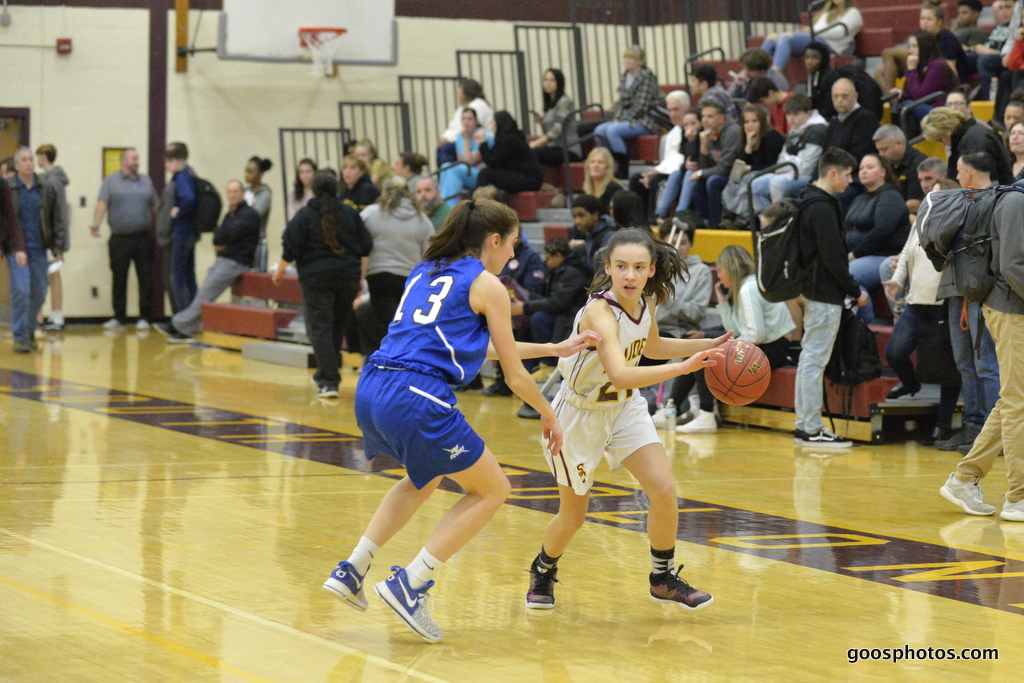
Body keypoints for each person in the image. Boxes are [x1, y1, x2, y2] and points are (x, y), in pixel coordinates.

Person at [322, 198, 597, 643]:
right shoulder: (488, 285)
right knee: (493, 489)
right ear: (493, 241)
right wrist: (549, 413)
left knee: (423, 477)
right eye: (511, 244)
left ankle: (353, 567)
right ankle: (411, 584)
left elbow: (471, 346)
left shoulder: (425, 270)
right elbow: (512, 374)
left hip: (373, 386)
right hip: (416, 395)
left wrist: (552, 349)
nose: (513, 254)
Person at [522, 227, 728, 612]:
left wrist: (709, 344)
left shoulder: (646, 302)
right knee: (574, 516)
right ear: (608, 268)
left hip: (624, 408)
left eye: (638, 267)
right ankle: (543, 569)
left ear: (651, 270)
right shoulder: (600, 313)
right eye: (621, 267)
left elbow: (651, 346)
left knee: (664, 491)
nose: (630, 275)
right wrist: (683, 368)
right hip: (579, 414)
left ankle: (662, 578)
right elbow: (619, 372)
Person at [937, 154, 1024, 522]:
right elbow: (1013, 265)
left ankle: (964, 477)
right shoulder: (1017, 202)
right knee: (1019, 403)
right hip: (1010, 309)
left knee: (1012, 400)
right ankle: (1018, 497)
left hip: (1013, 308)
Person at [272, 171, 372, 398]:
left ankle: (330, 380)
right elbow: (366, 245)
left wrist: (279, 272)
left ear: (313, 191)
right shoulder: (350, 213)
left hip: (317, 279)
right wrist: (361, 276)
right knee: (336, 327)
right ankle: (324, 373)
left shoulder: (305, 215)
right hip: (347, 277)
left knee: (319, 329)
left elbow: (290, 245)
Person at [677, 243, 795, 434]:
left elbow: (756, 335)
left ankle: (706, 414)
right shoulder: (748, 286)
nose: (719, 275)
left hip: (772, 347)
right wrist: (723, 304)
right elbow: (736, 329)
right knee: (704, 350)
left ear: (731, 269)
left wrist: (727, 347)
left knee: (706, 354)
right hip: (771, 345)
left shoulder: (748, 289)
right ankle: (690, 409)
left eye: (721, 270)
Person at [793, 147, 868, 447]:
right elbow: (834, 259)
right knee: (813, 361)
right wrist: (854, 289)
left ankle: (805, 425)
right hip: (823, 293)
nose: (851, 180)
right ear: (833, 173)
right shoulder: (821, 207)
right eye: (848, 174)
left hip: (811, 289)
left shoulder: (808, 201)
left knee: (808, 359)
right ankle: (810, 428)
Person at [933, 152, 1001, 455]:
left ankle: (992, 433)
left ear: (969, 172)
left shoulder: (1000, 200)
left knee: (985, 364)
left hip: (982, 290)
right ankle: (972, 427)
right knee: (966, 363)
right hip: (954, 287)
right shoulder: (958, 200)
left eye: (960, 171)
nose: (957, 176)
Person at [881, 198, 961, 445]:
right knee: (895, 352)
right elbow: (906, 252)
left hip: (944, 306)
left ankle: (943, 425)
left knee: (949, 370)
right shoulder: (920, 222)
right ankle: (911, 385)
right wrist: (897, 280)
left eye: (936, 194)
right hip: (916, 303)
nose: (930, 199)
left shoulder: (957, 224)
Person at [157, 180, 261, 344]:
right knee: (203, 293)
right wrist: (225, 233)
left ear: (242, 194)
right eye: (229, 192)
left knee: (205, 294)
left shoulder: (249, 214)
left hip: (237, 262)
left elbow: (229, 233)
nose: (232, 195)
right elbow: (218, 237)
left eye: (236, 191)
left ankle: (177, 324)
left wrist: (225, 233)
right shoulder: (230, 214)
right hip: (225, 258)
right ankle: (187, 329)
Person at [358, 176, 435, 357]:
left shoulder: (371, 213)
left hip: (379, 276)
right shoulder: (421, 218)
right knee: (404, 322)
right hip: (410, 278)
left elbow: (356, 238)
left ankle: (386, 360)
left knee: (385, 322)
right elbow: (431, 251)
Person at [91, 147, 159, 329]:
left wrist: (163, 227)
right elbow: (102, 204)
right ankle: (119, 317)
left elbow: (155, 206)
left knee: (145, 278)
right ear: (123, 162)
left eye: (137, 159)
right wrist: (96, 224)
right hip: (119, 239)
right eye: (133, 159)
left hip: (143, 238)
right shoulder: (110, 181)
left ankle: (145, 317)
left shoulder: (146, 181)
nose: (137, 162)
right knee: (119, 278)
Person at [6, 147, 67, 352]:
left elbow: (56, 218)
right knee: (21, 291)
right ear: (16, 166)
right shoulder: (9, 187)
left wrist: (58, 247)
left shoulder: (45, 187)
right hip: (17, 249)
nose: (29, 163)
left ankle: (30, 328)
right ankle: (20, 336)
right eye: (23, 160)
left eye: (31, 159)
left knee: (39, 293)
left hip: (39, 248)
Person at [844, 153, 911, 324]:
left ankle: (867, 324)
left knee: (848, 275)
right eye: (861, 168)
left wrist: (854, 254)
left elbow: (882, 231)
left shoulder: (890, 196)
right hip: (862, 256)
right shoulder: (859, 198)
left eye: (870, 167)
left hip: (885, 255)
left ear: (883, 172)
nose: (864, 171)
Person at [593, 45, 664, 179]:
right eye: (625, 57)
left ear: (640, 62)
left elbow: (641, 106)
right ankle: (606, 165)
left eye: (631, 58)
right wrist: (618, 118)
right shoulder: (625, 77)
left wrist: (620, 120)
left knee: (612, 131)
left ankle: (623, 167)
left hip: (644, 119)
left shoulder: (646, 77)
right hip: (627, 118)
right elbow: (621, 103)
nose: (626, 61)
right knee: (599, 131)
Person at [750, 93, 828, 213]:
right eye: (788, 115)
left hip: (808, 177)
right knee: (756, 184)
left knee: (778, 183)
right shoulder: (794, 129)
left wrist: (789, 166)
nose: (791, 119)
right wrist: (789, 167)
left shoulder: (817, 130)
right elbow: (781, 160)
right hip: (790, 173)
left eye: (795, 114)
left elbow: (807, 166)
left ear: (808, 112)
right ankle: (767, 223)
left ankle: (781, 223)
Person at [875, 3, 974, 92]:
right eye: (922, 19)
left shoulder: (946, 37)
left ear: (939, 22)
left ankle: (888, 96)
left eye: (929, 19)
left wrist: (957, 90)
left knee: (888, 52)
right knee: (879, 71)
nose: (924, 23)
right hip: (925, 68)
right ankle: (890, 96)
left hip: (943, 76)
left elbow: (950, 67)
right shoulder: (923, 37)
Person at [629, 90, 691, 217]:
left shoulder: (691, 131)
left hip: (681, 172)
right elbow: (667, 159)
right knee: (637, 179)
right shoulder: (670, 135)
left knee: (656, 180)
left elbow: (681, 157)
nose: (673, 114)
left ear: (687, 109)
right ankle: (638, 220)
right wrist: (654, 171)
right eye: (670, 110)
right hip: (666, 171)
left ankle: (655, 219)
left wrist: (657, 171)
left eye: (676, 109)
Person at [720, 103, 786, 222]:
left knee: (748, 180)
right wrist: (748, 148)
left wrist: (749, 168)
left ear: (762, 122)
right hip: (754, 172)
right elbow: (736, 171)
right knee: (733, 180)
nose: (750, 126)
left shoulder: (771, 136)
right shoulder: (745, 139)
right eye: (746, 122)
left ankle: (745, 218)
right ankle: (732, 217)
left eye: (754, 121)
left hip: (772, 174)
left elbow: (772, 165)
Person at [921, 106, 1014, 185]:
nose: (942, 144)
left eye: (940, 139)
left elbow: (978, 181)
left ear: (946, 129)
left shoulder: (973, 140)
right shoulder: (971, 135)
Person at [890, 31, 959, 137]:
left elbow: (920, 96)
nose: (910, 51)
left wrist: (911, 69)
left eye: (914, 46)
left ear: (924, 47)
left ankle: (905, 141)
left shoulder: (938, 65)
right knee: (899, 103)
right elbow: (913, 91)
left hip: (942, 110)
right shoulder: (921, 63)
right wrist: (901, 94)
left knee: (906, 106)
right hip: (926, 105)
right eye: (910, 46)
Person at [761, 0, 863, 70]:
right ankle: (757, 68)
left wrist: (811, 31)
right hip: (816, 38)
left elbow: (839, 32)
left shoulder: (853, 12)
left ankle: (775, 71)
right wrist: (810, 31)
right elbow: (814, 30)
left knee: (786, 38)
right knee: (772, 38)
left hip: (830, 45)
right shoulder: (826, 12)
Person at [35, 144, 69, 332]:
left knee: (50, 277)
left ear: (43, 157)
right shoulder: (53, 179)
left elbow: (58, 215)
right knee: (52, 276)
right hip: (51, 238)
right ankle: (54, 316)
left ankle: (54, 317)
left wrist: (58, 246)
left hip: (50, 238)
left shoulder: (52, 181)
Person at [690, 100, 741, 225]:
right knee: (697, 183)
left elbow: (725, 168)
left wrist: (701, 173)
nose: (705, 120)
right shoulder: (709, 133)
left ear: (722, 118)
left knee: (713, 181)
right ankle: (704, 222)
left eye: (710, 116)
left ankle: (715, 224)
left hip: (737, 175)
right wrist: (703, 147)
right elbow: (706, 167)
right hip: (720, 173)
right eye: (703, 117)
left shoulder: (732, 132)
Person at [162, 142, 198, 313]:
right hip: (189, 232)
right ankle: (192, 318)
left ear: (179, 160)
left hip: (182, 232)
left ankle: (184, 321)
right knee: (188, 276)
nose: (166, 164)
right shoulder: (188, 174)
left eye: (170, 160)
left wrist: (178, 211)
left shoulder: (182, 176)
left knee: (177, 277)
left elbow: (188, 199)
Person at [475, 111, 544, 196]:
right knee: (487, 173)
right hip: (527, 177)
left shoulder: (509, 140)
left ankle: (482, 204)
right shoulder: (512, 137)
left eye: (494, 123)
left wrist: (483, 144)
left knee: (485, 174)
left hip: (527, 179)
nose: (493, 127)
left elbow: (492, 161)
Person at [652, 108, 703, 220]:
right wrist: (685, 165)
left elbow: (700, 160)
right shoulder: (685, 138)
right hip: (689, 171)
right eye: (686, 125)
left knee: (690, 173)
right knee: (676, 173)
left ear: (701, 123)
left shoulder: (704, 137)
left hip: (702, 172)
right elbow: (685, 160)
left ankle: (681, 212)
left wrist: (692, 141)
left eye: (693, 123)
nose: (690, 128)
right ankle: (660, 213)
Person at [438, 108, 493, 208]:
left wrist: (467, 139)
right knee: (445, 166)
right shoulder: (460, 136)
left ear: (476, 122)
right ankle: (444, 204)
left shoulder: (483, 135)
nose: (466, 122)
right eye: (463, 119)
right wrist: (464, 138)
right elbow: (460, 161)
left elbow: (470, 162)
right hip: (467, 172)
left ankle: (450, 208)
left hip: (481, 175)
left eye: (469, 119)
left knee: (454, 170)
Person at [530, 68, 583, 166]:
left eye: (552, 80)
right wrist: (542, 124)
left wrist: (534, 144)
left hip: (568, 149)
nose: (547, 83)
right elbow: (549, 133)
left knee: (533, 152)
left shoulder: (564, 102)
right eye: (546, 80)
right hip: (554, 148)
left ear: (559, 83)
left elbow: (557, 131)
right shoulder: (550, 104)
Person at [872, 125, 928, 215]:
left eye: (884, 149)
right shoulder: (888, 162)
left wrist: (885, 212)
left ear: (898, 144)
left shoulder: (919, 163)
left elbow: (915, 203)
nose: (881, 154)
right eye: (879, 150)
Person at [437, 79, 493, 165]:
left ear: (467, 91)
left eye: (460, 89)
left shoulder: (478, 105)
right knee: (440, 148)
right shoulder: (464, 107)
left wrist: (447, 139)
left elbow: (467, 127)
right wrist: (444, 137)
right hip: (464, 137)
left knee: (447, 149)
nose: (458, 92)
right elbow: (453, 126)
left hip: (477, 140)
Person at [1, 175, 27, 350]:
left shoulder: (1, 185)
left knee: (22, 290)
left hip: (8, 245)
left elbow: (10, 218)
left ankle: (21, 335)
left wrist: (19, 248)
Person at [969, 0, 1014, 100]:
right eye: (1001, 8)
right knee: (965, 57)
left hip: (1003, 58)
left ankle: (990, 100)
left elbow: (1012, 54)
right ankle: (962, 95)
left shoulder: (1017, 28)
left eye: (1008, 7)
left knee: (984, 60)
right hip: (988, 54)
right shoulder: (998, 27)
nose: (1003, 12)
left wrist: (987, 51)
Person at [569, 193, 617, 274]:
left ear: (595, 215)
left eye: (581, 215)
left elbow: (603, 272)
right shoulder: (589, 234)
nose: (577, 221)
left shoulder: (609, 236)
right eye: (575, 216)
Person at [727, 48, 791, 102]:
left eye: (750, 70)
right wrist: (738, 86)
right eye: (744, 69)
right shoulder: (744, 75)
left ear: (761, 70)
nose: (745, 73)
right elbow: (729, 100)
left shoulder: (777, 80)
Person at [245, 155, 273, 270]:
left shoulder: (265, 194)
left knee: (258, 278)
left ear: (260, 174)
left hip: (258, 242)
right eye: (246, 171)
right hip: (244, 243)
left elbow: (254, 215)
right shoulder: (245, 192)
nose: (247, 175)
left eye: (251, 172)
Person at [581, 146, 623, 214]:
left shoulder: (614, 189)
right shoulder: (586, 190)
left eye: (600, 162)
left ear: (608, 167)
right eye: (592, 162)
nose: (595, 165)